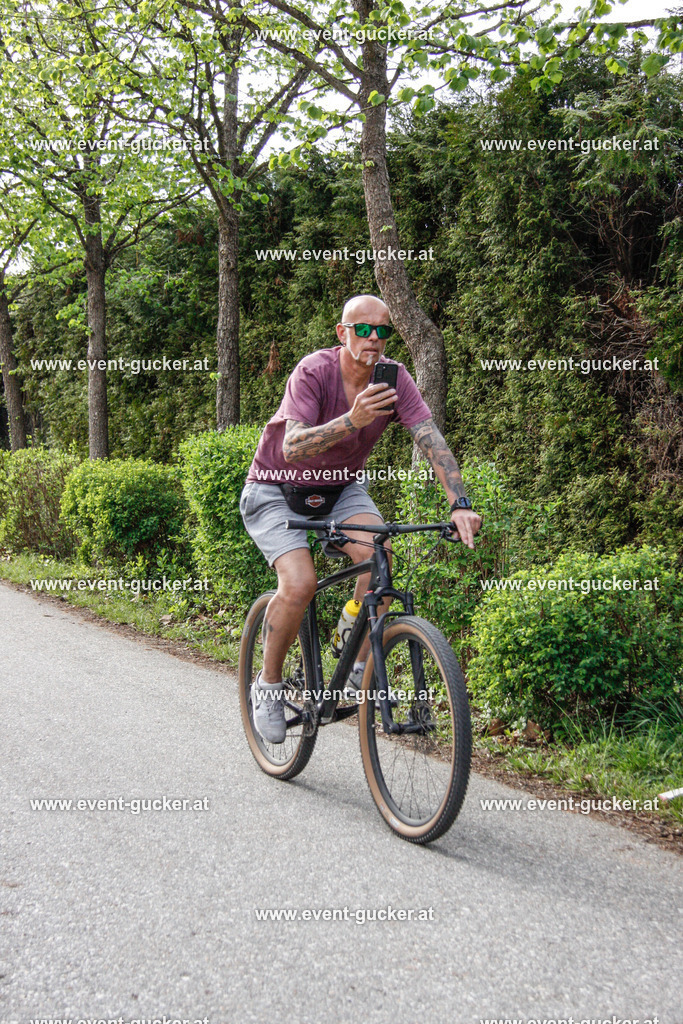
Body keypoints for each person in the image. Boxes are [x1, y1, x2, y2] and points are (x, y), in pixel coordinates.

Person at [240, 294, 481, 743]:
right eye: (363, 329)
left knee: (380, 555)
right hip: (275, 487)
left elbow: (431, 439)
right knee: (299, 583)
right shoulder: (314, 371)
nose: (373, 339)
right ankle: (268, 685)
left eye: (382, 330)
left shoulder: (396, 380)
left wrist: (460, 502)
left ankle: (352, 655)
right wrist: (353, 420)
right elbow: (292, 448)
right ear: (342, 332)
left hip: (338, 489)